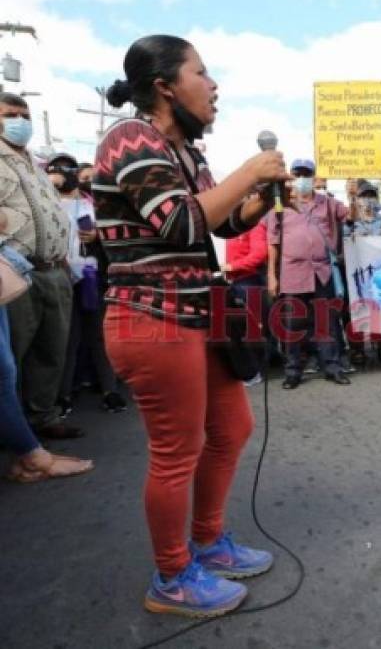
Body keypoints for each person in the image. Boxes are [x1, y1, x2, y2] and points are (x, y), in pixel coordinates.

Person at [96, 35, 290, 617]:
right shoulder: (131, 139)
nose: (214, 87)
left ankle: (209, 542)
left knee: (231, 428)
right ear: (164, 87)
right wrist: (250, 168)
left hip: (197, 319)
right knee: (177, 450)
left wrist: (261, 197)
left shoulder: (187, 153)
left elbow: (222, 227)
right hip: (149, 319)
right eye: (202, 74)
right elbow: (180, 224)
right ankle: (173, 577)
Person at [0, 93, 80, 439]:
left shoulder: (34, 163)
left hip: (53, 269)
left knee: (51, 349)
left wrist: (63, 261)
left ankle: (42, 418)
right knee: (11, 356)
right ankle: (12, 431)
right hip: (15, 270)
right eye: (10, 114)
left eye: (24, 114)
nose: (20, 121)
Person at [1, 247, 93, 482]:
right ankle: (32, 456)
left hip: (34, 269)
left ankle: (27, 449)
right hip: (25, 268)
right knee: (6, 372)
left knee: (14, 367)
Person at [46, 153, 127, 415]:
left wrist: (97, 235)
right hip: (60, 279)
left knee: (98, 336)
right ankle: (63, 395)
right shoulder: (46, 204)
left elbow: (115, 236)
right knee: (68, 338)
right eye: (57, 168)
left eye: (68, 168)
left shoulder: (91, 205)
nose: (63, 173)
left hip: (92, 278)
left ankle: (110, 391)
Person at [266, 159, 350, 388]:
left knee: (326, 322)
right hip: (292, 272)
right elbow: (272, 243)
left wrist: (352, 192)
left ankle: (331, 367)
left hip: (321, 271)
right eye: (298, 174)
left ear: (313, 177)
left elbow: (352, 216)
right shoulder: (280, 206)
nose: (302, 178)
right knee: (293, 325)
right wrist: (272, 276)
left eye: (307, 174)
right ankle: (293, 371)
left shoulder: (328, 203)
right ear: (291, 178)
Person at [224, 207, 269, 386]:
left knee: (253, 329)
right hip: (231, 282)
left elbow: (259, 254)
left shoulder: (255, 226)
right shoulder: (226, 228)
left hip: (248, 280)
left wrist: (232, 266)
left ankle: (256, 371)